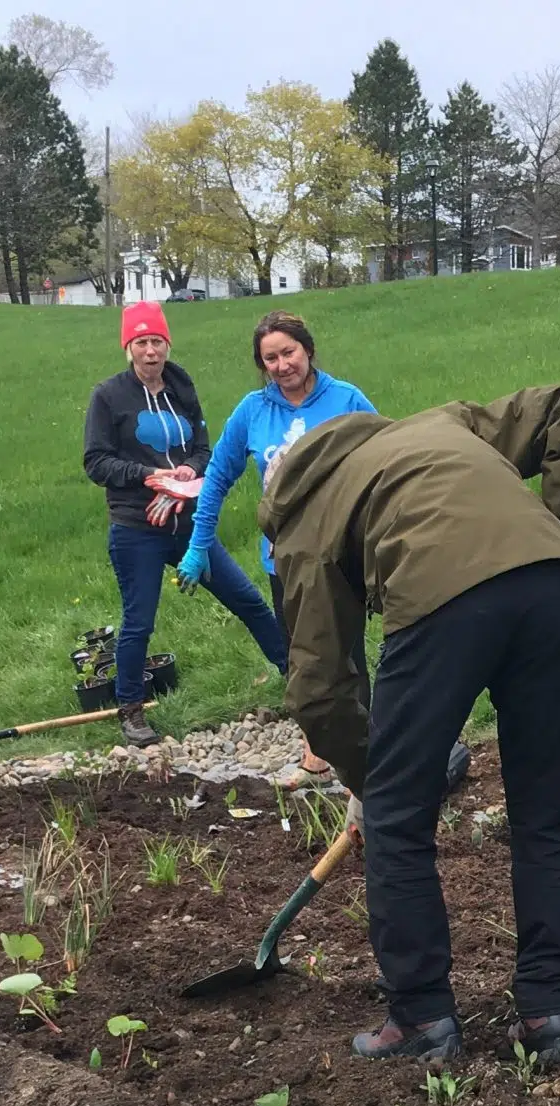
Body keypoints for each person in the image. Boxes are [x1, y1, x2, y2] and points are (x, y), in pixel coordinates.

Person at [260, 385, 560, 1069]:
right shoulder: (441, 422)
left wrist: (367, 778)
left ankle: (420, 1017)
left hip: (443, 600)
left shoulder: (302, 521)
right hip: (551, 584)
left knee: (397, 820)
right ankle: (548, 1010)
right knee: (544, 809)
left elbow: (319, 688)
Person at [82, 301, 290, 748]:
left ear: (167, 343)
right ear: (128, 348)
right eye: (141, 343)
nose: (151, 352)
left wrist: (187, 473)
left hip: (187, 524)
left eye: (157, 341)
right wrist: (147, 477)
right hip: (137, 527)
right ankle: (131, 711)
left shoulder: (180, 384)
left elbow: (202, 448)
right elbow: (96, 462)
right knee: (139, 622)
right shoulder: (108, 396)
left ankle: (297, 678)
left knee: (248, 601)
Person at [178, 311, 376, 773]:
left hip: (339, 556)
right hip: (282, 561)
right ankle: (317, 750)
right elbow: (217, 479)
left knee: (346, 655)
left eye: (288, 352)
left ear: (307, 349)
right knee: (299, 659)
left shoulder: (347, 400)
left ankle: (361, 762)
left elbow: (388, 466)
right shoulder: (252, 411)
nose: (282, 364)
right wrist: (199, 542)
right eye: (270, 358)